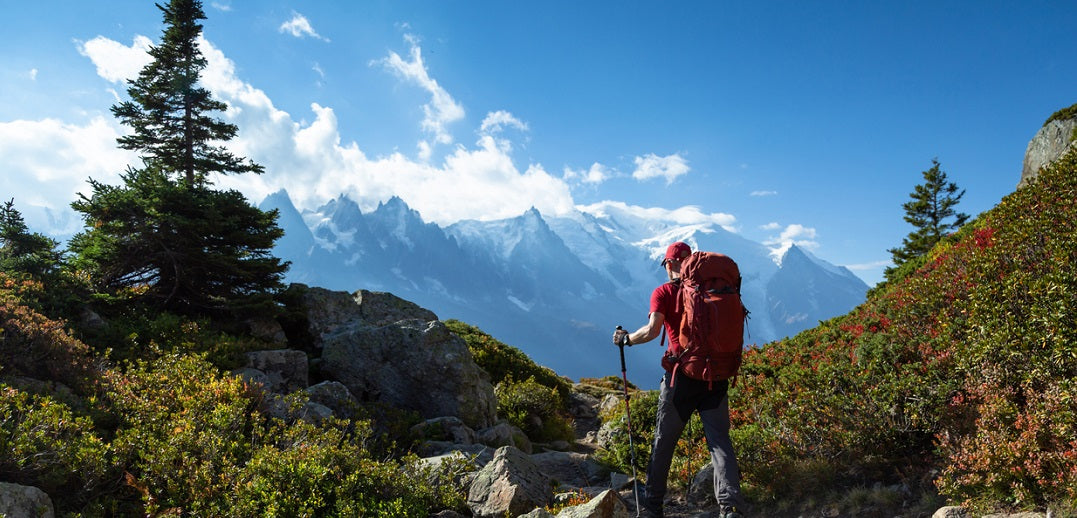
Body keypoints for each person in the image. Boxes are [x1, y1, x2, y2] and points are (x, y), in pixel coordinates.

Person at [613, 241, 747, 518]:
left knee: (664, 442)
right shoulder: (717, 288)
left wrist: (626, 339)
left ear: (671, 264)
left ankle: (652, 507)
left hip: (681, 379)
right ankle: (731, 507)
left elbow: (652, 331)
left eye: (665, 264)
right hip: (716, 376)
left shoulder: (664, 291)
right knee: (720, 442)